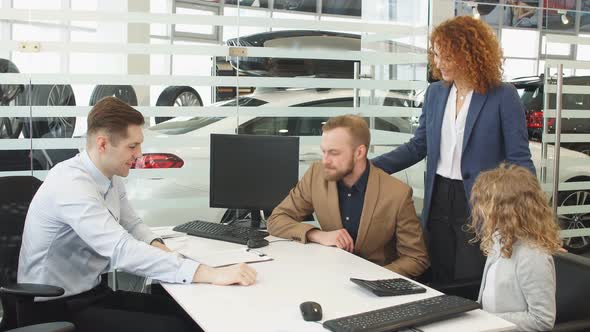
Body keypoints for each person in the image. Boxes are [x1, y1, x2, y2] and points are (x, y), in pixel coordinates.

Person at [18, 97, 257, 332]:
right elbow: (121, 249)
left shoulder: (110, 176)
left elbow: (133, 225)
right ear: (102, 144)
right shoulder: (71, 184)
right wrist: (209, 273)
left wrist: (165, 251)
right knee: (175, 326)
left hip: (91, 294)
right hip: (53, 308)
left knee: (186, 312)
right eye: (132, 146)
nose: (139, 154)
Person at [372, 16, 535, 286]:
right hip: (438, 197)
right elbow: (418, 146)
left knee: (472, 276)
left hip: (480, 201)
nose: (438, 63)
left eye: (446, 56)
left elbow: (519, 160)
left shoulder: (503, 96)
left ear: (469, 54)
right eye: (436, 55)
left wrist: (532, 221)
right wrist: (370, 168)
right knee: (437, 273)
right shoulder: (436, 93)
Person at [267, 115, 429, 278]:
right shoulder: (316, 175)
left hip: (376, 287)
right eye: (324, 152)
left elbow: (416, 258)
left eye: (334, 153)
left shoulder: (397, 193)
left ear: (359, 152)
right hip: (330, 276)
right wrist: (318, 235)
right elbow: (276, 220)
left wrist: (374, 277)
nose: (325, 161)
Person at [470, 164, 561, 331]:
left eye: (484, 202)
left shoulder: (533, 256)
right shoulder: (499, 239)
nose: (479, 209)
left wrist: (486, 321)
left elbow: (542, 320)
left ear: (507, 209)